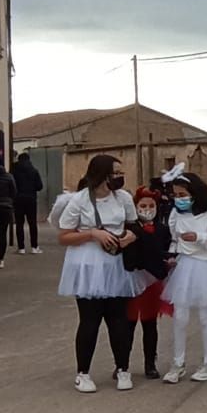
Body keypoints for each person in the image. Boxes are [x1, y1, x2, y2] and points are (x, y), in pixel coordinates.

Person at [55, 154, 140, 393]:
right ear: (101, 174)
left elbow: (134, 224)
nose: (118, 178)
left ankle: (123, 368)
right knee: (90, 320)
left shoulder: (123, 198)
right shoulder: (80, 200)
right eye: (114, 173)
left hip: (115, 263)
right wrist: (92, 234)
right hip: (88, 265)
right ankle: (83, 373)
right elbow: (64, 235)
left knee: (119, 319)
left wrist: (130, 237)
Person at [161, 173, 207, 384]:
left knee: (205, 317)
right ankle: (178, 363)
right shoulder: (175, 214)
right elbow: (173, 239)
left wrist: (199, 238)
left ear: (194, 193)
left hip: (205, 265)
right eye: (175, 195)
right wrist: (172, 254)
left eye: (183, 194)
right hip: (184, 265)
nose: (179, 198)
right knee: (180, 317)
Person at [121, 186, 174, 380]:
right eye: (143, 205)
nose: (147, 209)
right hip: (132, 281)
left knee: (150, 325)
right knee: (127, 325)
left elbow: (168, 248)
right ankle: (122, 364)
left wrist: (168, 260)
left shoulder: (162, 229)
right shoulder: (128, 229)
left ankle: (150, 363)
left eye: (151, 205)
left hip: (152, 282)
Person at [11, 151, 44, 253]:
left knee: (19, 224)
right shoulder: (34, 171)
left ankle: (21, 248)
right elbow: (40, 186)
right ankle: (34, 247)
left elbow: (11, 185)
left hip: (18, 200)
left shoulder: (14, 171)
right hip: (31, 200)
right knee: (32, 223)